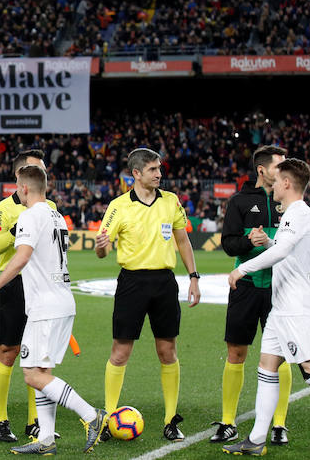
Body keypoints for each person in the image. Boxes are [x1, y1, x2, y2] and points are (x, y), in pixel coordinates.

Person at [0, 165, 107, 455]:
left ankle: (91, 416)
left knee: (32, 375)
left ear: (24, 188)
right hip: (60, 301)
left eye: (18, 188)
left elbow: (21, 258)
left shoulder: (30, 216)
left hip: (45, 306)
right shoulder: (57, 215)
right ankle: (45, 438)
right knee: (42, 371)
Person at [223, 158, 310, 455]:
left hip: (296, 308)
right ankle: (256, 440)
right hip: (281, 308)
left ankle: (256, 439)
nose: (273, 184)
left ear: (286, 183)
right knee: (267, 367)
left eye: (277, 178)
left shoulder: (298, 213)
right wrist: (267, 241)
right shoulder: (293, 215)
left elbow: (284, 252)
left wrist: (242, 269)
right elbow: (284, 250)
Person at [95, 147, 200, 441]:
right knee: (120, 351)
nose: (159, 174)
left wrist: (193, 277)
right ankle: (109, 417)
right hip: (132, 282)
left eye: (159, 168)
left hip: (165, 282)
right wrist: (102, 245)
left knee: (167, 351)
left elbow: (183, 241)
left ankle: (170, 420)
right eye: (153, 170)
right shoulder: (118, 206)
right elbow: (102, 251)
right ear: (137, 174)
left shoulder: (171, 202)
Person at [213, 145, 291, 444]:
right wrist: (249, 240)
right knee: (236, 352)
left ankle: (279, 425)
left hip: (279, 288)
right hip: (245, 286)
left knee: (280, 355)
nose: (283, 171)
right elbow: (229, 244)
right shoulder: (240, 201)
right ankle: (228, 422)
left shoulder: (291, 202)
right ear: (262, 170)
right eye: (278, 166)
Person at [0, 149, 57, 441]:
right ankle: (1, 422)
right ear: (20, 177)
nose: (41, 175)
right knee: (8, 350)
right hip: (14, 284)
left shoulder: (50, 205)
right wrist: (20, 228)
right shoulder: (1, 208)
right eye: (34, 170)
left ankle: (34, 422)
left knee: (37, 354)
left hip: (41, 285)